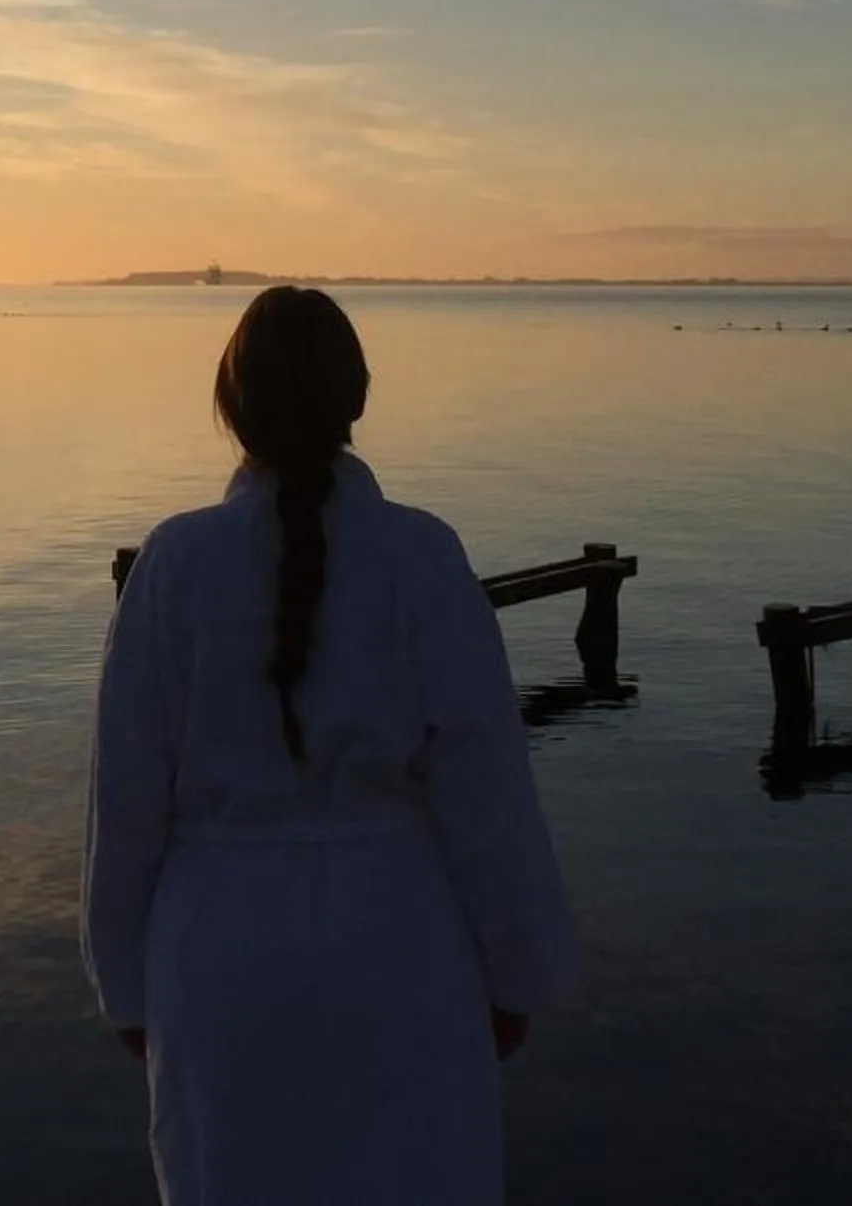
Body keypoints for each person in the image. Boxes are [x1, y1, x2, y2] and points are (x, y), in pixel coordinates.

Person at [82, 285, 578, 1205]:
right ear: (357, 397)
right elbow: (489, 796)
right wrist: (518, 970)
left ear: (230, 407)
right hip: (401, 947)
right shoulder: (422, 558)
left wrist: (123, 981)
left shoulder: (173, 567)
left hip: (218, 957)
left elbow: (127, 807)